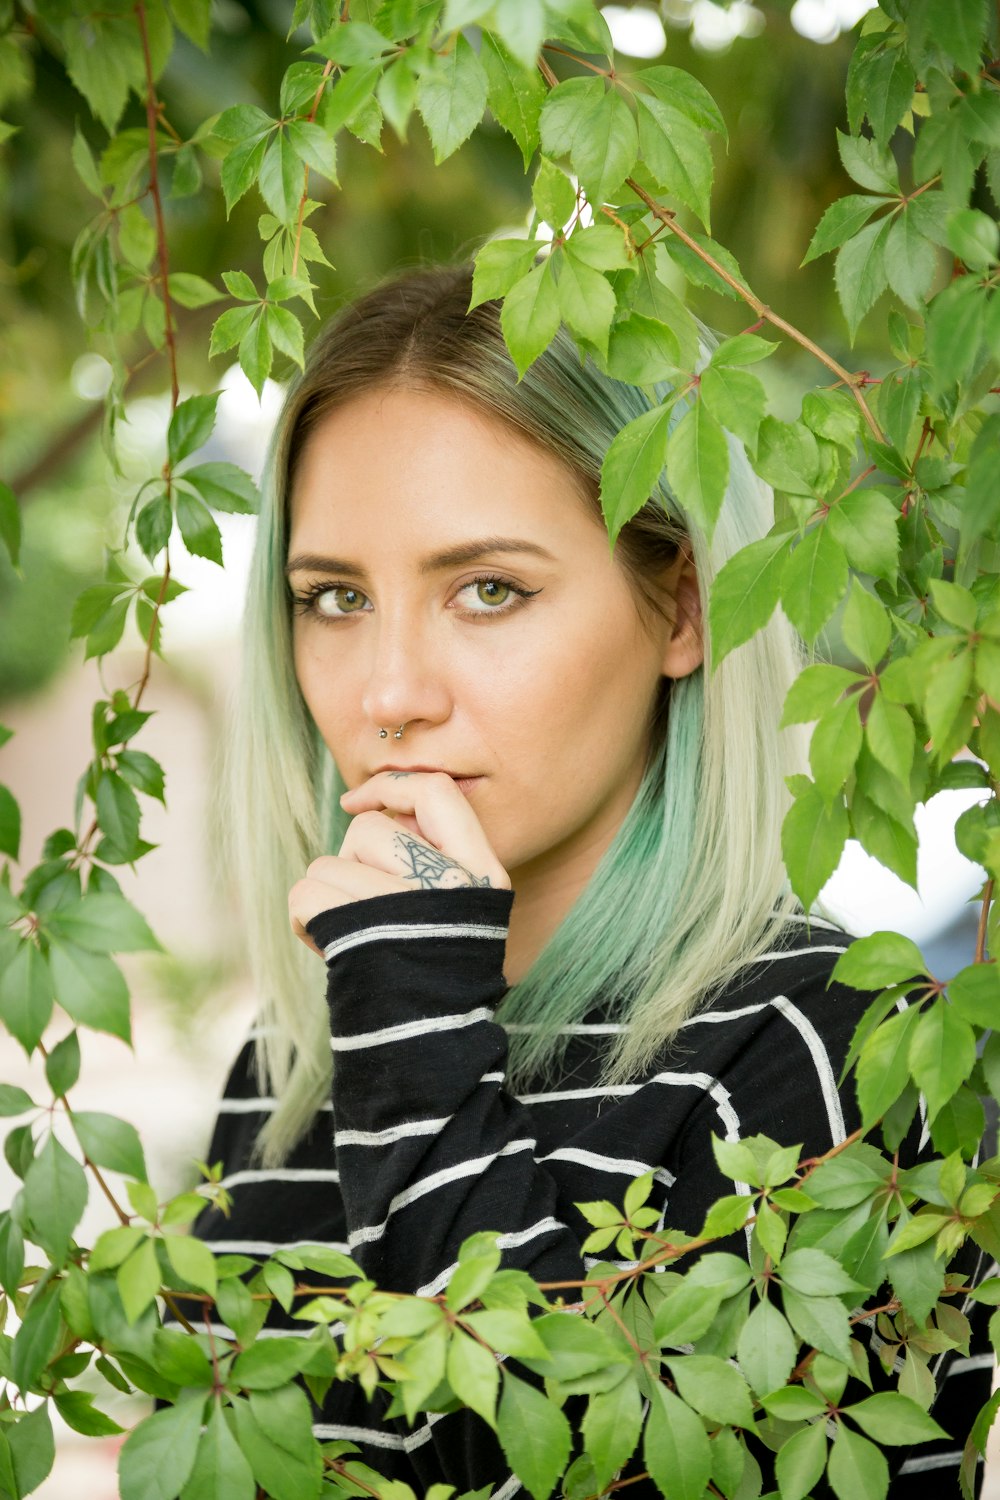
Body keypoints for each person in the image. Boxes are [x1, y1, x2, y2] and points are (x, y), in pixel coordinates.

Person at [187, 259, 992, 1496]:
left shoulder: (831, 1055)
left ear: (680, 609)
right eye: (334, 597)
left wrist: (416, 1013)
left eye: (489, 590)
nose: (390, 694)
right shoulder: (292, 1075)